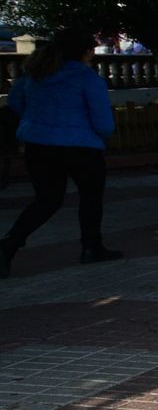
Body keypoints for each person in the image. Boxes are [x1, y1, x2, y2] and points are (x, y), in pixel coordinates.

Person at [0, 29, 121, 277]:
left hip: (39, 145)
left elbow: (14, 103)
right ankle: (91, 247)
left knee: (46, 200)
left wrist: (35, 122)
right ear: (87, 52)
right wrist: (103, 135)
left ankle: (9, 244)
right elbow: (103, 121)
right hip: (82, 145)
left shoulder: (34, 75)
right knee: (90, 198)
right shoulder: (88, 79)